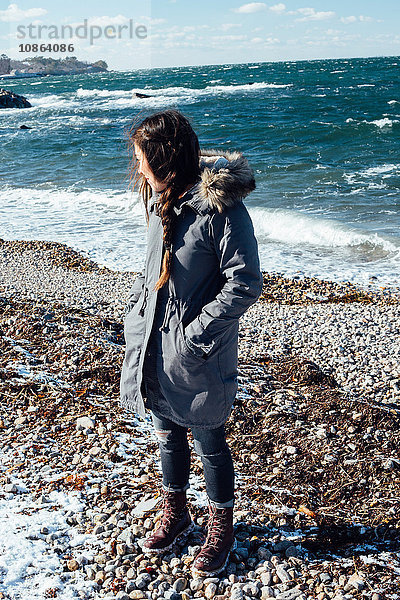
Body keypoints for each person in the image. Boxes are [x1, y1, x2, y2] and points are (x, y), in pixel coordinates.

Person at [120, 109, 263, 577]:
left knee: (208, 438)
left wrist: (197, 337)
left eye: (143, 159)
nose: (138, 169)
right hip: (153, 345)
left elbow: (244, 282)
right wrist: (135, 323)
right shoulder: (165, 199)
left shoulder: (219, 208)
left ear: (164, 158)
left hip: (196, 350)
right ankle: (177, 512)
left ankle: (222, 526)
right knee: (166, 431)